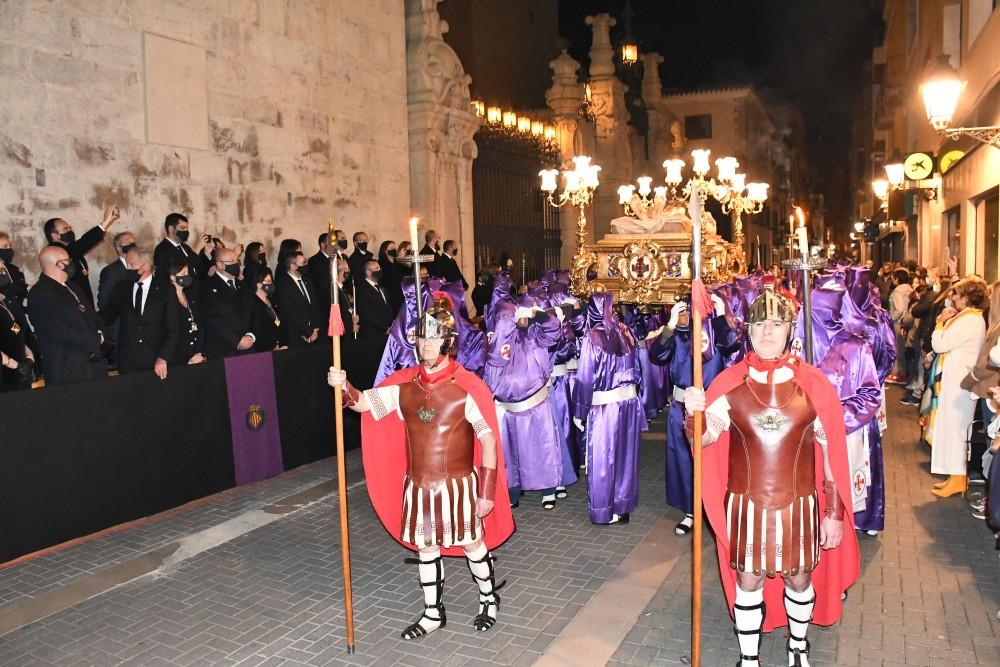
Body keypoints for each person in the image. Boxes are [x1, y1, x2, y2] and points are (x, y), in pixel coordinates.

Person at [683, 287, 860, 667]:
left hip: (800, 506)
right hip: (746, 507)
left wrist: (833, 513)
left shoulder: (812, 384)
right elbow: (706, 439)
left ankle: (798, 646)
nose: (767, 331)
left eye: (776, 324)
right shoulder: (729, 385)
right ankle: (749, 658)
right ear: (748, 330)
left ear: (788, 331)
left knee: (799, 578)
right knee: (748, 580)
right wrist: (692, 414)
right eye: (760, 324)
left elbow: (829, 451)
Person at [327, 297, 514, 640]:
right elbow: (364, 403)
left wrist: (486, 493)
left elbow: (487, 440)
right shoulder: (404, 389)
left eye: (434, 337)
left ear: (447, 341)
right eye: (423, 337)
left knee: (472, 544)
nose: (426, 344)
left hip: (458, 486)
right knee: (427, 549)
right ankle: (432, 612)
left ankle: (488, 599)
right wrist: (344, 386)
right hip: (419, 486)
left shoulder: (466, 388)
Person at [484, 298, 567, 509]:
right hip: (507, 409)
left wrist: (537, 314)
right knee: (509, 455)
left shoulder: (533, 335)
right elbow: (496, 360)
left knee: (542, 449)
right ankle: (512, 491)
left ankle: (548, 489)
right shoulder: (495, 344)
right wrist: (507, 323)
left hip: (536, 405)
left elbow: (553, 329)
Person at [571, 291, 645, 525]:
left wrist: (579, 412)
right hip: (629, 403)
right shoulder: (626, 331)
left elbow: (585, 378)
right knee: (626, 457)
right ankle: (622, 506)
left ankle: (604, 509)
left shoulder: (592, 337)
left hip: (605, 407)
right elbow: (638, 367)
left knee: (602, 459)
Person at [923, 278, 988, 497]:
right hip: (956, 381)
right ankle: (954, 476)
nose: (953, 298)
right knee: (952, 429)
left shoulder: (969, 320)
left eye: (957, 294)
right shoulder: (969, 318)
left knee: (956, 431)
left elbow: (940, 343)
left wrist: (940, 323)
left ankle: (959, 477)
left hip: (959, 384)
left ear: (967, 298)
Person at [27, 246, 107, 385]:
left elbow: (91, 315)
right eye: (68, 260)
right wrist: (95, 340)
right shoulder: (39, 293)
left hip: (93, 363)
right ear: (58, 264)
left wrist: (102, 334)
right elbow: (57, 330)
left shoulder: (73, 287)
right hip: (67, 369)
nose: (71, 263)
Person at [100, 248, 178, 378]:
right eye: (127, 265)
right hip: (127, 361)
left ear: (145, 266)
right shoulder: (121, 287)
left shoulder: (166, 290)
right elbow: (108, 315)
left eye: (132, 265)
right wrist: (88, 320)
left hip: (156, 362)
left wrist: (163, 357)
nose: (128, 269)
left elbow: (173, 329)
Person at [44, 206, 119, 307]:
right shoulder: (56, 252)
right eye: (66, 229)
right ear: (55, 236)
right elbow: (85, 242)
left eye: (70, 228)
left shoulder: (72, 249)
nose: (70, 231)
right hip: (72, 304)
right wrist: (105, 222)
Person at [201, 248, 255, 359]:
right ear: (219, 265)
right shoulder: (208, 286)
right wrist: (236, 340)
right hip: (224, 349)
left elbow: (252, 311)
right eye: (231, 261)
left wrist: (250, 335)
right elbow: (213, 318)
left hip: (248, 346)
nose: (236, 264)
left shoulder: (242, 285)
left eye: (237, 261)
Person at [354, 259, 394, 389]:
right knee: (374, 367)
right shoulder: (362, 289)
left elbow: (387, 307)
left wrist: (392, 323)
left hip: (386, 333)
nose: (379, 271)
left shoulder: (381, 287)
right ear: (368, 272)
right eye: (376, 269)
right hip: (372, 334)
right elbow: (367, 313)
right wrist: (384, 327)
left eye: (379, 268)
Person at [165, 257, 206, 366]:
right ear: (172, 277)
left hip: (195, 354)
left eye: (187, 272)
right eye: (183, 273)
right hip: (177, 357)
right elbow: (170, 330)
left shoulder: (189, 295)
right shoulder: (166, 299)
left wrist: (198, 351)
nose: (187, 275)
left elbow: (198, 323)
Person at [275, 250, 319, 348]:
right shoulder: (283, 284)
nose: (306, 266)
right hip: (295, 336)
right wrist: (307, 332)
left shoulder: (307, 280)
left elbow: (315, 305)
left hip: (313, 334)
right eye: (303, 263)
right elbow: (290, 312)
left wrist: (314, 329)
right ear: (293, 266)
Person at [154, 213, 206, 283]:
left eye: (187, 228)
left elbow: (196, 266)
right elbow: (184, 269)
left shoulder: (185, 247)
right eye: (182, 228)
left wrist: (207, 253)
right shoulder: (162, 249)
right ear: (171, 229)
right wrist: (197, 249)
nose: (186, 231)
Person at [240, 265, 282, 352]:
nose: (271, 284)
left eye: (271, 281)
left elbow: (276, 320)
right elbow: (255, 329)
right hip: (263, 349)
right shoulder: (252, 303)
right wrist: (272, 346)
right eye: (268, 281)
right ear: (258, 284)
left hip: (277, 345)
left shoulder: (272, 300)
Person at [377, 240, 404, 314]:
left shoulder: (397, 262)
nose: (394, 250)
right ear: (385, 251)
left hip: (400, 293)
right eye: (391, 248)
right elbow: (387, 277)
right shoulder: (381, 263)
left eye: (395, 248)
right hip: (390, 294)